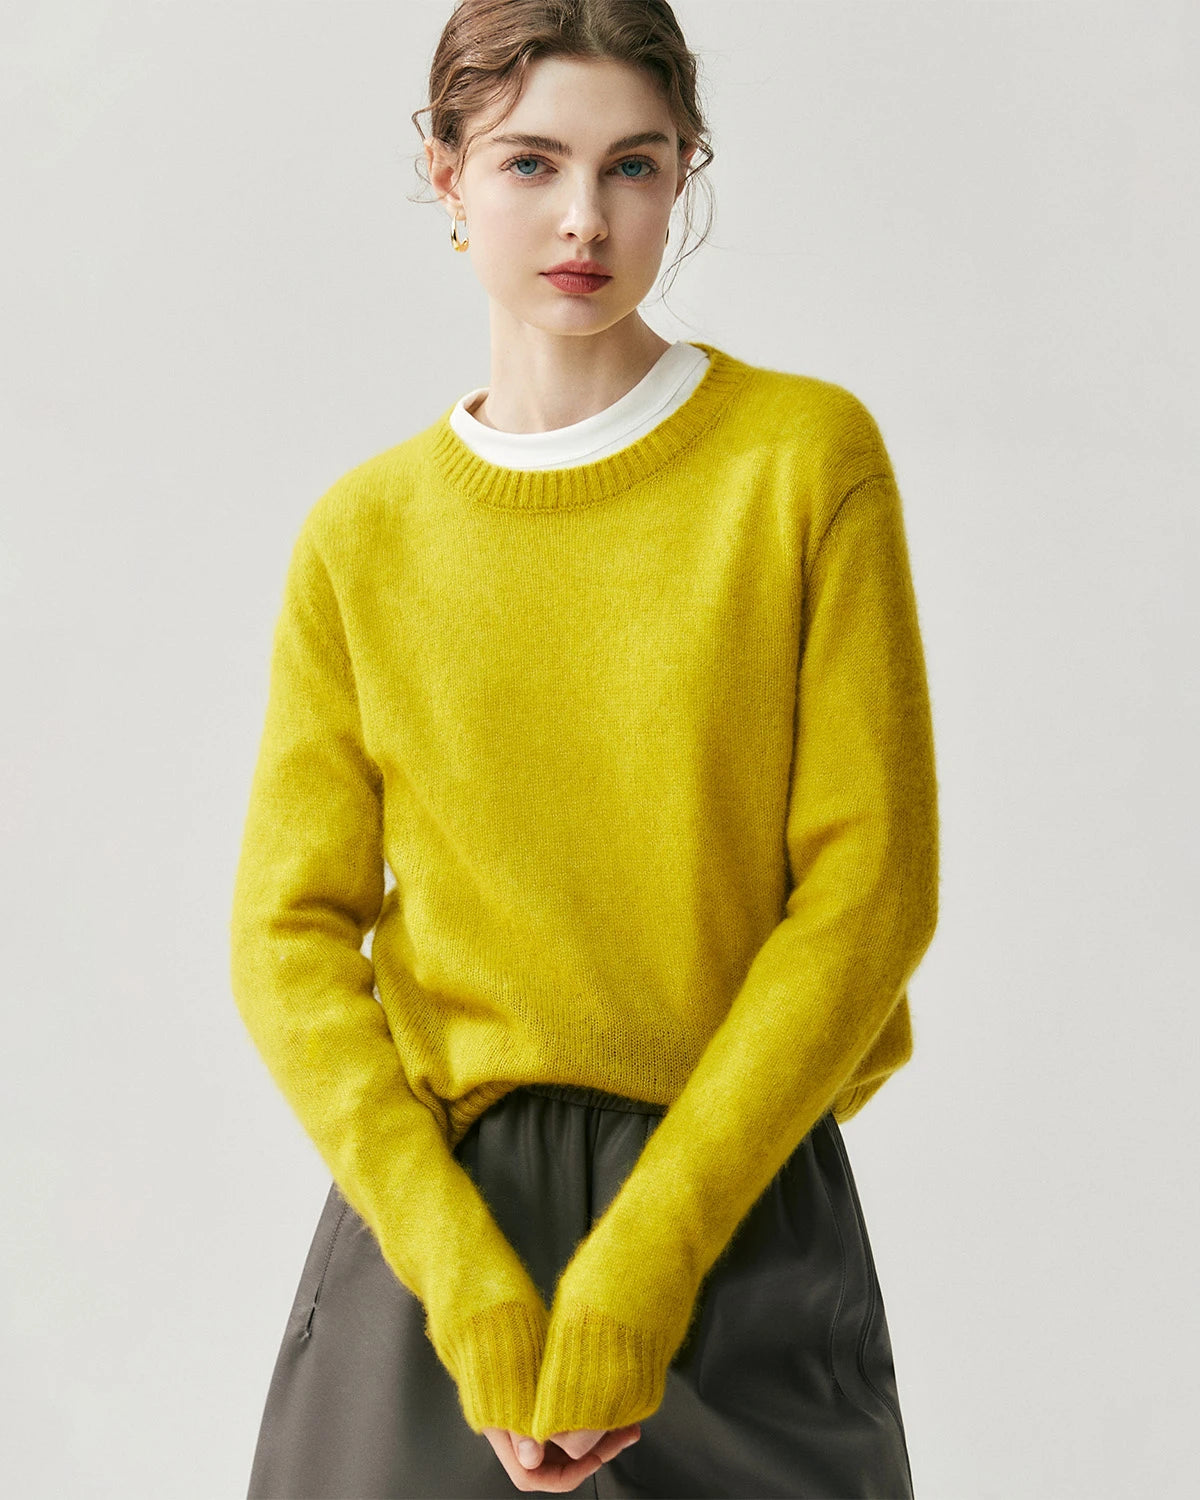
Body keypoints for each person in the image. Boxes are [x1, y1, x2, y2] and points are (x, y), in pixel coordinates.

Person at [229, 1, 939, 1495]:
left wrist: (649, 1259)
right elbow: (287, 939)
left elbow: (870, 891)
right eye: (530, 162)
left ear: (683, 173)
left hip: (733, 1217)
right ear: (446, 172)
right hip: (435, 1248)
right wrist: (464, 1285)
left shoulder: (802, 465)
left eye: (633, 165)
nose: (584, 219)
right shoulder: (364, 536)